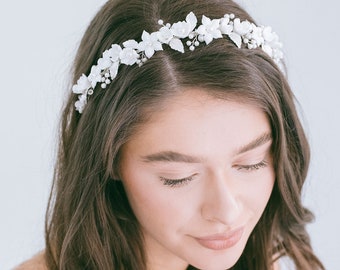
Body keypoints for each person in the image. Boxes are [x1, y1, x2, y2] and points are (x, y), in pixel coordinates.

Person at [16, 0, 325, 269]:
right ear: (108, 161)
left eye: (251, 163)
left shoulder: (267, 259)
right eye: (178, 177)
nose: (227, 212)